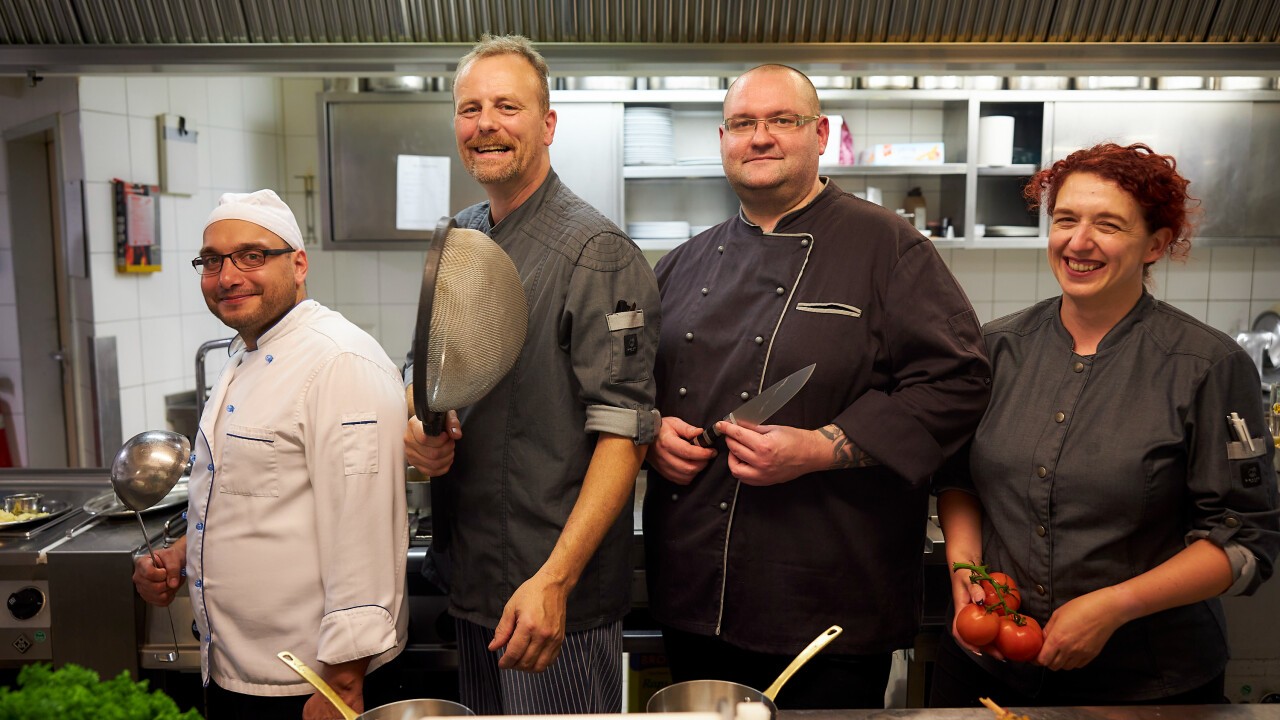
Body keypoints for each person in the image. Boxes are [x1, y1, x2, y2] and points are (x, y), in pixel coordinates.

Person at [643, 63, 991, 709]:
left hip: (827, 594)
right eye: (744, 124)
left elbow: (957, 379)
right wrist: (652, 432)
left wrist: (825, 446)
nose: (761, 137)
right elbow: (640, 389)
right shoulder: (683, 263)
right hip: (694, 586)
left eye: (782, 121)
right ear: (723, 139)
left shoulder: (888, 246)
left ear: (821, 133)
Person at [930, 142, 1280, 707]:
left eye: (1109, 225)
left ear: (1156, 244)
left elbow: (1244, 537)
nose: (1078, 241)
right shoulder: (996, 348)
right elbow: (958, 478)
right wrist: (964, 569)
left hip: (1147, 680)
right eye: (1065, 219)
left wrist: (1116, 605)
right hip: (988, 667)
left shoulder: (1206, 365)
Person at [402, 35, 661, 714]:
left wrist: (555, 580)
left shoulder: (597, 253)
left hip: (552, 601)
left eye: (506, 107)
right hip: (474, 582)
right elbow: (426, 372)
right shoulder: (461, 236)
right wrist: (422, 426)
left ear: (547, 125)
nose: (485, 123)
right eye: (470, 108)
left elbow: (625, 435)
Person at [132, 189, 409, 720]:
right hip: (237, 669)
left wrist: (344, 682)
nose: (228, 276)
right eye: (211, 261)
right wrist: (183, 557)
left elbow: (365, 530)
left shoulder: (338, 361)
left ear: (298, 264)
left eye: (252, 256)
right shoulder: (245, 354)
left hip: (309, 683)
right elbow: (249, 492)